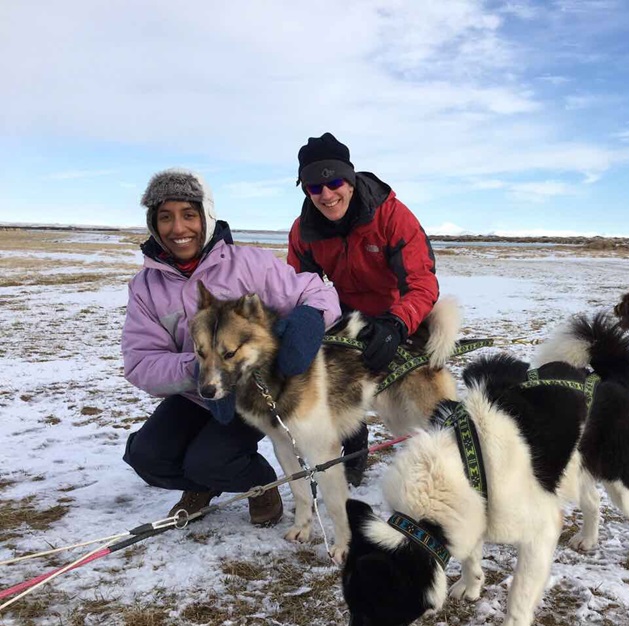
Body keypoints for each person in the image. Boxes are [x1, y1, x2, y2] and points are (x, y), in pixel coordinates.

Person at [122, 167, 341, 525]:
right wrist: (198, 368)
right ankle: (204, 485)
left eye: (188, 215)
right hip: (198, 391)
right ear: (153, 223)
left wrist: (309, 319)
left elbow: (316, 291)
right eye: (165, 217)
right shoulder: (146, 286)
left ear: (206, 216)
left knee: (209, 458)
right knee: (148, 456)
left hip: (252, 392)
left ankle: (259, 483)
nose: (178, 229)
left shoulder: (249, 264)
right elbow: (140, 362)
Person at [287, 132, 439, 486]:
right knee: (335, 384)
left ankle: (437, 448)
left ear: (350, 180)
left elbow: (422, 282)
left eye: (335, 181)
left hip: (397, 312)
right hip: (344, 314)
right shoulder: (304, 230)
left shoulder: (391, 216)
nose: (326, 195)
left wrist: (397, 324)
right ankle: (354, 450)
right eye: (313, 187)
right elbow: (299, 288)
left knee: (416, 393)